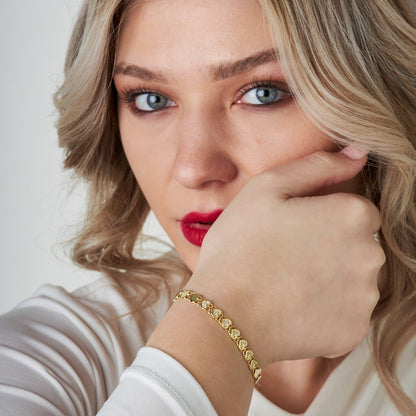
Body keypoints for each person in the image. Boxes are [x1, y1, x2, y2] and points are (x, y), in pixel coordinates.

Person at [1, 0, 415, 414]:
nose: (193, 168)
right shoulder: (60, 351)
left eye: (262, 93)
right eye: (150, 100)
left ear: (377, 99)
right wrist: (229, 319)